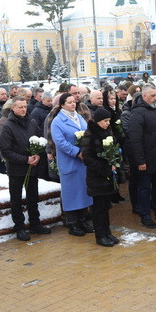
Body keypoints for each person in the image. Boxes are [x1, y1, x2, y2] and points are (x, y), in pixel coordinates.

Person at [0, 97, 52, 242]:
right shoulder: (8, 126)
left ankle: (35, 223)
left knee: (33, 197)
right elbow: (5, 150)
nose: (23, 109)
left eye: (25, 107)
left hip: (32, 168)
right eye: (20, 107)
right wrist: (25, 159)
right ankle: (20, 227)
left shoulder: (32, 122)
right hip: (16, 170)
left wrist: (38, 155)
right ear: (13, 109)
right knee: (16, 200)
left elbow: (40, 139)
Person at [126, 85, 156, 229]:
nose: (155, 98)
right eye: (152, 96)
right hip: (147, 159)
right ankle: (145, 216)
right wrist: (140, 161)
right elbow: (135, 139)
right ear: (144, 96)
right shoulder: (138, 113)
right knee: (145, 189)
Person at [50, 93, 93, 236]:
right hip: (70, 161)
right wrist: (77, 152)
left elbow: (87, 132)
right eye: (69, 103)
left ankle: (82, 220)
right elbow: (60, 142)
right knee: (71, 193)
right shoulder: (57, 121)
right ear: (62, 105)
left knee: (82, 191)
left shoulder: (79, 117)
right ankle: (72, 222)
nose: (73, 104)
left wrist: (86, 149)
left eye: (74, 102)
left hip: (82, 162)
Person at [80, 107, 120, 247]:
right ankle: (100, 235)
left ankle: (107, 232)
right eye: (105, 121)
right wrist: (104, 168)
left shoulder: (107, 131)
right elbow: (87, 158)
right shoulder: (90, 133)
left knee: (106, 206)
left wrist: (114, 161)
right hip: (97, 177)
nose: (108, 123)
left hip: (107, 176)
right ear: (97, 121)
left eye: (109, 120)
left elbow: (114, 149)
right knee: (98, 208)